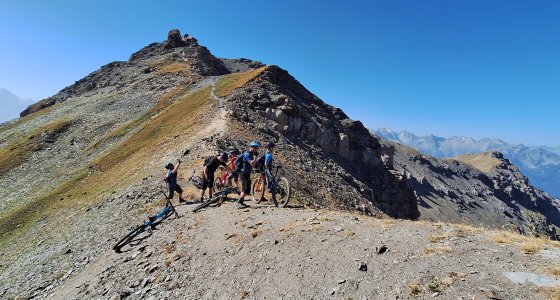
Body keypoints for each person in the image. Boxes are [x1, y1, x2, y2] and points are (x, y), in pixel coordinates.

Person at [236, 141, 261, 209]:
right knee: (246, 188)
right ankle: (239, 202)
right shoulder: (247, 154)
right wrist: (255, 157)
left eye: (257, 148)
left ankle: (240, 202)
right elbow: (252, 164)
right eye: (256, 148)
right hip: (243, 173)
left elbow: (254, 165)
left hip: (246, 173)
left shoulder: (250, 154)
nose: (257, 150)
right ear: (252, 147)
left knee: (247, 188)